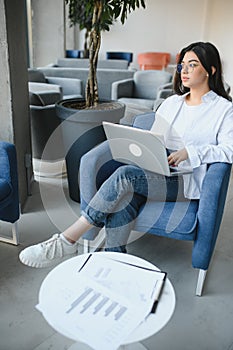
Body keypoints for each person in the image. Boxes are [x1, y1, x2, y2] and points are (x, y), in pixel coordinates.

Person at [19, 41, 233, 268]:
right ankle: (114, 261)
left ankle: (68, 238)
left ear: (211, 70)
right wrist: (141, 149)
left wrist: (189, 152)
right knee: (123, 197)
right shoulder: (171, 103)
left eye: (193, 65)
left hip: (185, 181)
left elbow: (229, 150)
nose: (185, 71)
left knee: (126, 176)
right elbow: (155, 139)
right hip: (157, 170)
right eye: (182, 66)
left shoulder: (223, 109)